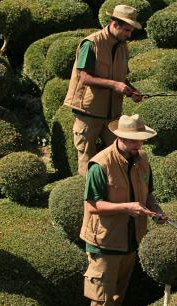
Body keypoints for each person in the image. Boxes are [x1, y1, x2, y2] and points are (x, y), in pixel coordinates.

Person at [80, 114, 166, 306]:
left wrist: (157, 211)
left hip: (131, 241)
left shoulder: (142, 160)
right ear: (120, 138)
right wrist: (127, 208)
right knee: (102, 300)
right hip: (104, 243)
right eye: (134, 141)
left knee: (118, 295)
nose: (139, 146)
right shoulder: (101, 164)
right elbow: (92, 205)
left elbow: (147, 194)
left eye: (141, 141)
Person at [63, 4, 144, 177]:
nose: (129, 35)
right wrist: (115, 85)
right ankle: (89, 202)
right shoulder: (91, 43)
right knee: (87, 162)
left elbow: (121, 78)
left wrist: (131, 90)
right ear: (115, 24)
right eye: (127, 30)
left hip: (112, 115)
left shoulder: (123, 47)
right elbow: (84, 77)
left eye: (131, 31)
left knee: (117, 157)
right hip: (88, 113)